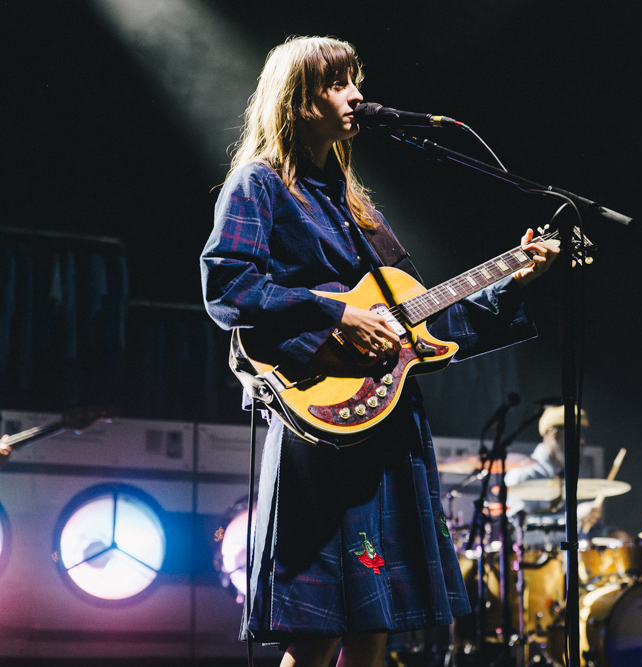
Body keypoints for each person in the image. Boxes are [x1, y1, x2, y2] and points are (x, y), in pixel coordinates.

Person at [200, 36, 559, 667]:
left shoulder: (354, 204)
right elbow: (227, 285)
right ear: (298, 99)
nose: (356, 95)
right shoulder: (258, 185)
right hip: (322, 428)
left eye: (354, 80)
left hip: (387, 423)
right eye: (338, 83)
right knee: (317, 633)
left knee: (376, 625)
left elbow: (424, 326)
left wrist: (513, 281)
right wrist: (337, 312)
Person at [504, 405, 602, 533]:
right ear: (553, 434)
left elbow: (587, 531)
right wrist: (571, 519)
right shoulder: (523, 475)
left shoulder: (578, 475)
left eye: (583, 434)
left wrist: (608, 532)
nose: (582, 441)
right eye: (576, 433)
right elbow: (516, 532)